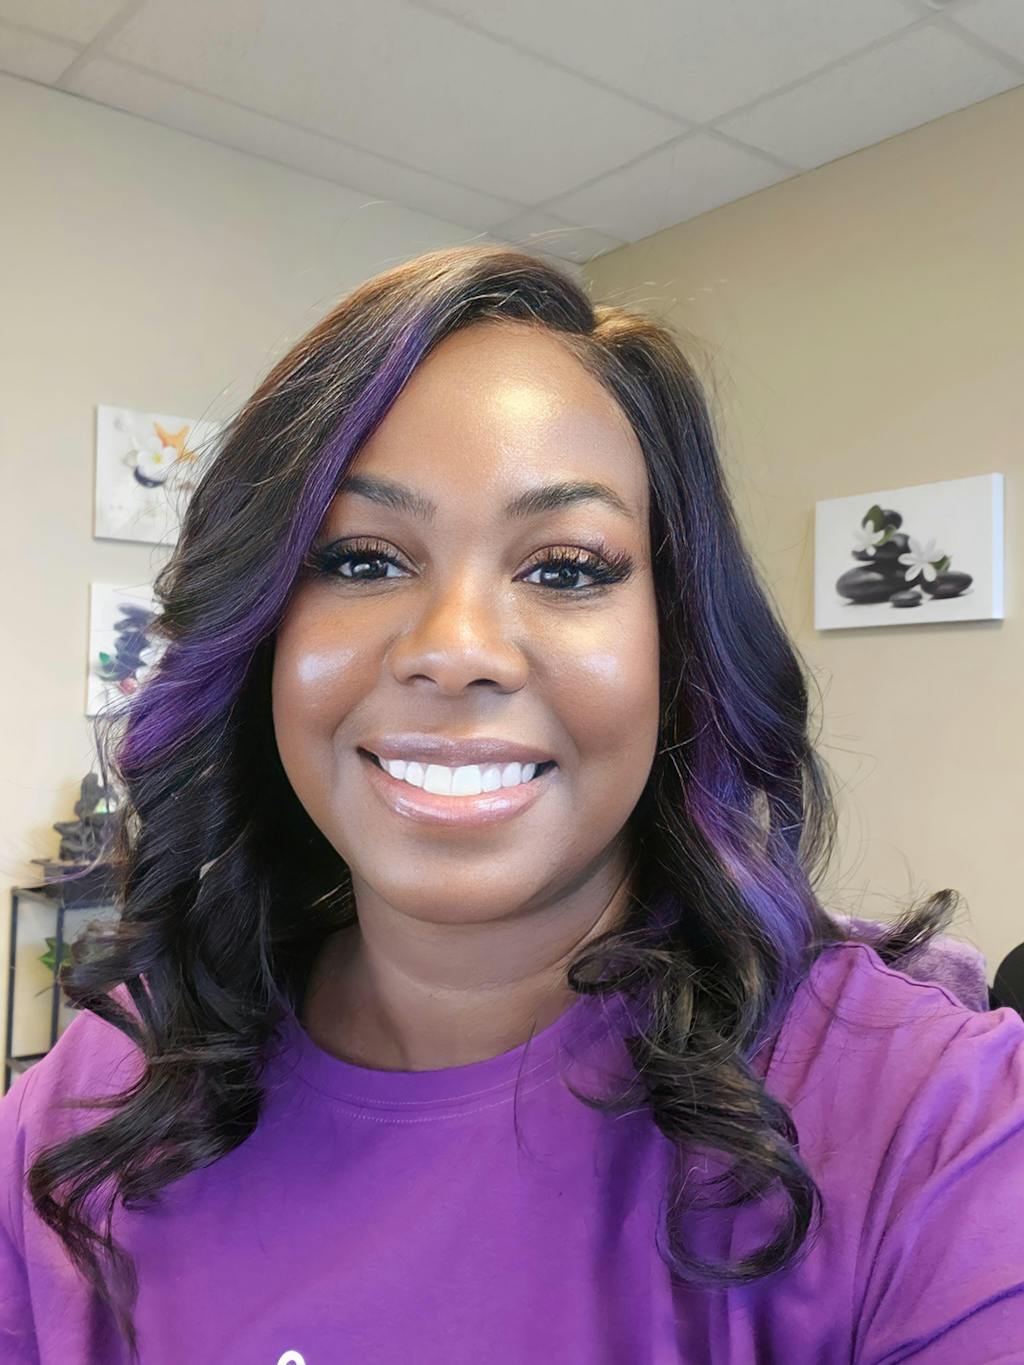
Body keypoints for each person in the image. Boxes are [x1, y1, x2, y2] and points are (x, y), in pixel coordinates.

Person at [1, 246, 1022, 1364]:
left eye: (567, 567)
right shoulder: (92, 1102)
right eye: (361, 559)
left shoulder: (925, 1120)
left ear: (676, 642)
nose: (455, 651)